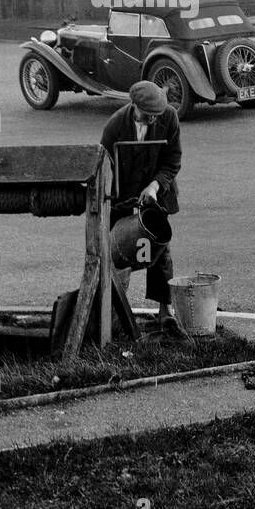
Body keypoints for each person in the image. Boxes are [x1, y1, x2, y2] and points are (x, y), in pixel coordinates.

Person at [99, 79, 190, 338]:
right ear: (134, 106)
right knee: (117, 254)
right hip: (123, 196)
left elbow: (173, 160)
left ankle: (166, 311)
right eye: (147, 115)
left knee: (161, 252)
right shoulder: (115, 126)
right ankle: (116, 313)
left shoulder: (169, 117)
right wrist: (112, 198)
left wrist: (154, 186)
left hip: (156, 192)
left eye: (156, 115)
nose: (153, 119)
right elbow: (104, 166)